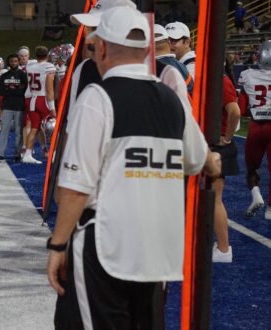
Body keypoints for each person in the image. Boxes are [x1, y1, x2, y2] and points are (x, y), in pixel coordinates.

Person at [47, 6, 221, 328]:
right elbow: (199, 158)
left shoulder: (97, 98)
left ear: (101, 47)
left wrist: (58, 244)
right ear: (146, 50)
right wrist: (215, 160)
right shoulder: (172, 100)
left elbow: (75, 186)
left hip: (106, 245)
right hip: (157, 250)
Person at [210, 60, 241, 263]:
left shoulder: (221, 81)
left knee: (214, 198)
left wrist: (227, 137)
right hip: (217, 143)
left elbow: (235, 111)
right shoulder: (219, 80)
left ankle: (223, 249)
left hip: (218, 145)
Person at [238, 40, 271, 220]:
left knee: (251, 168)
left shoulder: (248, 75)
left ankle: (256, 195)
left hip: (256, 127)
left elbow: (242, 110)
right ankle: (270, 210)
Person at [22, 46, 56, 164]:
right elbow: (49, 88)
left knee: (34, 128)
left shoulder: (30, 66)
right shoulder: (49, 67)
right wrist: (52, 107)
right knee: (53, 127)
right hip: (42, 99)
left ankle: (27, 154)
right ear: (47, 55)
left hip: (32, 99)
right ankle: (53, 154)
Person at [0, 53, 28, 163]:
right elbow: (2, 91)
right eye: (12, 61)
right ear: (9, 62)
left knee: (19, 132)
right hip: (7, 106)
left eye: (15, 61)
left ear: (18, 62)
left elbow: (23, 91)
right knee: (4, 130)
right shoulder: (4, 75)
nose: (13, 63)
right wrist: (16, 89)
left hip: (19, 106)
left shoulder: (23, 75)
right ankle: (1, 154)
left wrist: (11, 89)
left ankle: (17, 154)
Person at [154, 24, 194, 97]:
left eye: (174, 41)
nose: (170, 46)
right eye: (167, 40)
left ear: (187, 42)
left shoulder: (193, 66)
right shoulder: (180, 65)